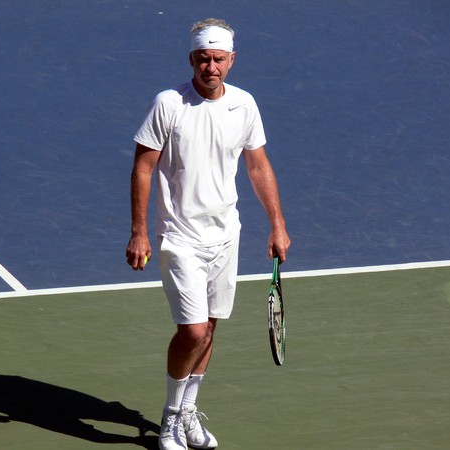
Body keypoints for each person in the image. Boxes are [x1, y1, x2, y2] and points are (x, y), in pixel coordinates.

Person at [125, 18, 291, 450]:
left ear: (231, 60)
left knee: (211, 328)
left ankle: (189, 412)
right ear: (191, 59)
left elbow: (257, 166)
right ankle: (169, 418)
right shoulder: (168, 104)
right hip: (180, 236)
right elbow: (143, 166)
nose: (210, 67)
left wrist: (277, 224)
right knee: (194, 331)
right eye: (203, 58)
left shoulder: (244, 105)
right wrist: (139, 231)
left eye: (218, 59)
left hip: (225, 235)